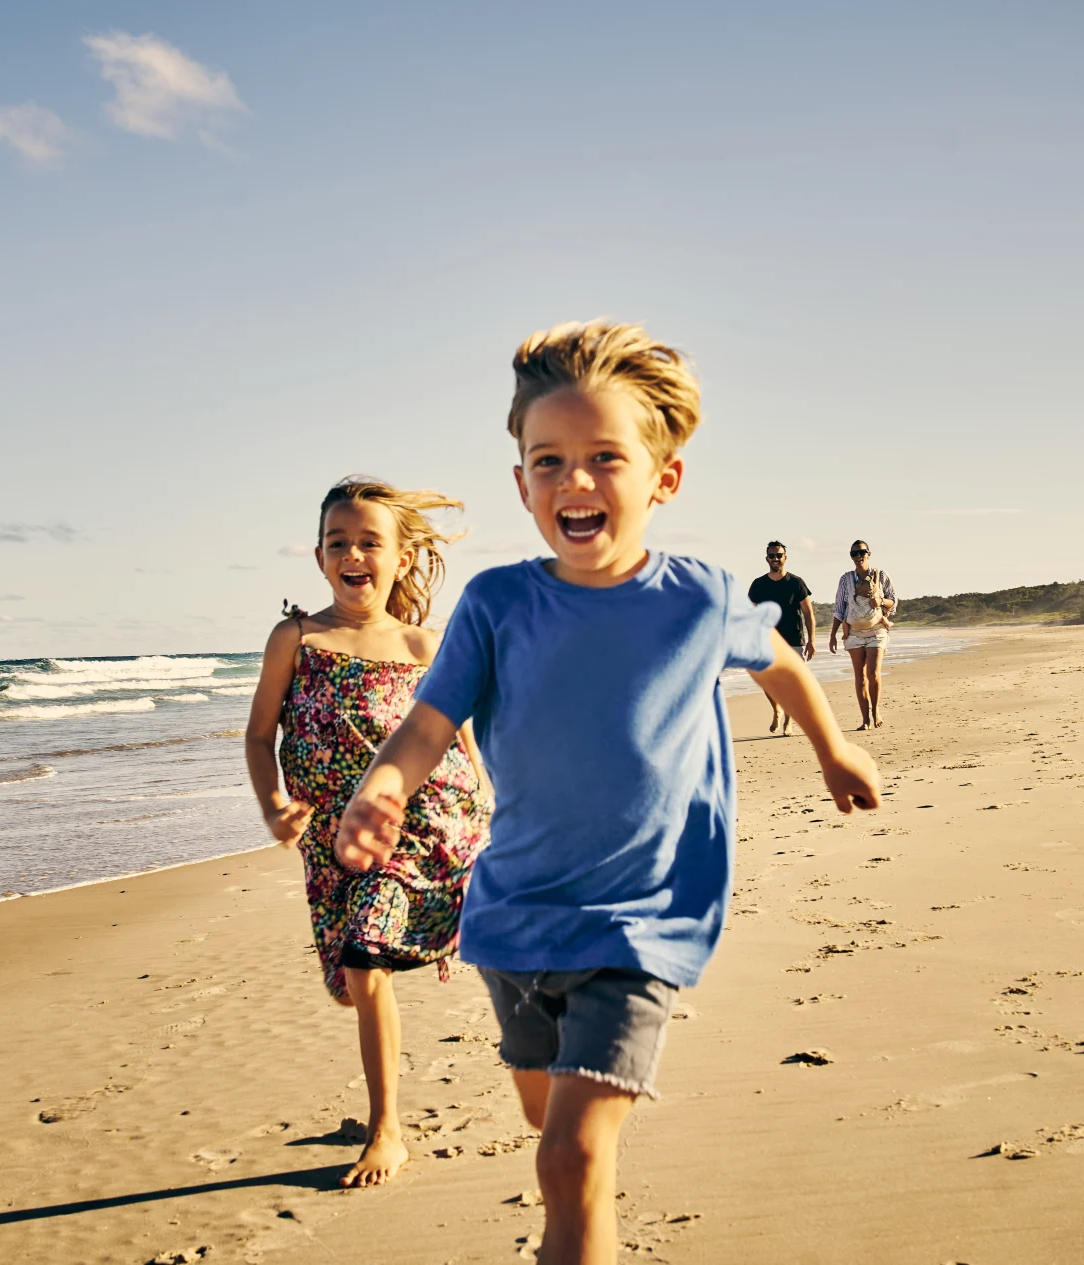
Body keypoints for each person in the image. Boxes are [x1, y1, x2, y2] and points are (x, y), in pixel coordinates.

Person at [331, 322, 882, 1264]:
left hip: (642, 921)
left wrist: (833, 749)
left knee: (572, 1155)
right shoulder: (499, 603)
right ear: (521, 484)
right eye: (549, 461)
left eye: (603, 459)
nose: (573, 482)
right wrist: (383, 784)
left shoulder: (697, 597)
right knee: (561, 1157)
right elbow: (429, 722)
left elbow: (781, 659)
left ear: (663, 478)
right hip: (513, 922)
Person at [244, 477, 491, 1189]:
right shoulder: (296, 638)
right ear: (320, 556)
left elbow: (465, 743)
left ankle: (388, 1130)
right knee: (354, 978)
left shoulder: (422, 643)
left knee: (365, 957)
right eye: (338, 542)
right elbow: (261, 736)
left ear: (403, 557)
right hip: (333, 843)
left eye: (369, 542)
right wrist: (274, 804)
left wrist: (494, 804)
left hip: (426, 827)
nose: (353, 553)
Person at [747, 541, 815, 735]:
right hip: (768, 641)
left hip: (794, 639)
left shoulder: (796, 582)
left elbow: (808, 612)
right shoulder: (758, 584)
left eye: (779, 555)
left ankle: (788, 721)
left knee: (792, 683)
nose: (775, 559)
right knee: (768, 680)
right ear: (766, 558)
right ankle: (776, 709)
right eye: (772, 555)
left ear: (785, 557)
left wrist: (811, 641)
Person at [828, 540, 897, 730]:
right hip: (854, 633)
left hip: (877, 631)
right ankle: (865, 719)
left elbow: (894, 601)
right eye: (854, 553)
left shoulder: (881, 575)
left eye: (862, 552)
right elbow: (839, 609)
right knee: (860, 677)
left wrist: (881, 600)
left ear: (869, 554)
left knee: (873, 673)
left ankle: (875, 712)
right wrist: (833, 635)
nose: (859, 556)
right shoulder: (846, 579)